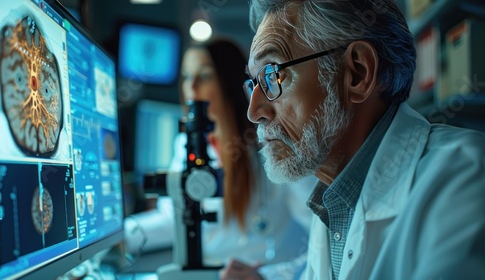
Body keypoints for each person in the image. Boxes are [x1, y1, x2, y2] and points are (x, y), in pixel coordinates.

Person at [221, 0, 485, 279]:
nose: (254, 112)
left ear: (357, 73)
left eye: (272, 75)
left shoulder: (464, 176)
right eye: (254, 84)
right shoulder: (332, 203)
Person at [124, 38, 317, 279]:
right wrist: (118, 235)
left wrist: (270, 276)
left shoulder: (275, 145)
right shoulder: (187, 145)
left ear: (227, 82)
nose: (191, 88)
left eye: (204, 77)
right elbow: (172, 219)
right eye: (186, 77)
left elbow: (325, 233)